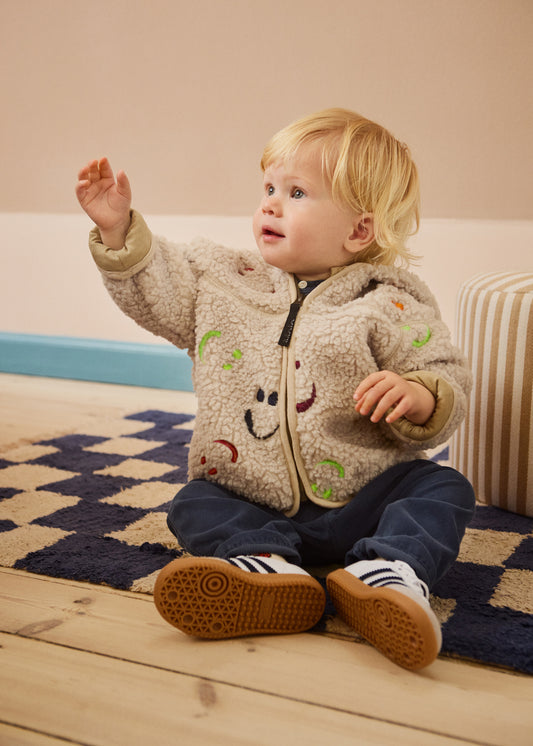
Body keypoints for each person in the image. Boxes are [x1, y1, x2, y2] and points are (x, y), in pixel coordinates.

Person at [76, 108, 475, 670]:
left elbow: (443, 368)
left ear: (359, 230)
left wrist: (421, 394)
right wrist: (118, 231)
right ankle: (265, 565)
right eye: (268, 188)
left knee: (444, 487)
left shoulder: (389, 302)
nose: (270, 204)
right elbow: (160, 287)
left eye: (296, 193)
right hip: (252, 494)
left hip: (364, 496)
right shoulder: (223, 283)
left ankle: (388, 571)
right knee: (194, 502)